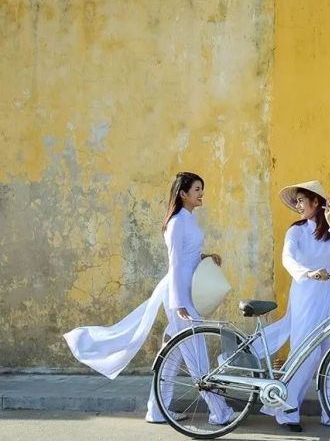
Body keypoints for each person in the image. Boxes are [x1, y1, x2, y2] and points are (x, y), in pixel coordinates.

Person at [63, 172, 233, 425]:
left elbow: (187, 256)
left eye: (201, 188)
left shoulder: (188, 220)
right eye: (197, 189)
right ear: (183, 193)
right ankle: (220, 412)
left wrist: (207, 257)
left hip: (187, 290)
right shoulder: (177, 222)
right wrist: (178, 303)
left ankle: (156, 410)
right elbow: (175, 263)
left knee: (174, 353)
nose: (201, 193)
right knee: (195, 350)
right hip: (180, 294)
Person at [259, 180, 330, 432]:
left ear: (317, 202)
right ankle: (287, 411)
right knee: (305, 353)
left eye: (303, 200)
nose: (298, 205)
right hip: (305, 295)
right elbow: (287, 258)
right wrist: (308, 273)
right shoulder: (296, 231)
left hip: (328, 296)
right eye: (297, 201)